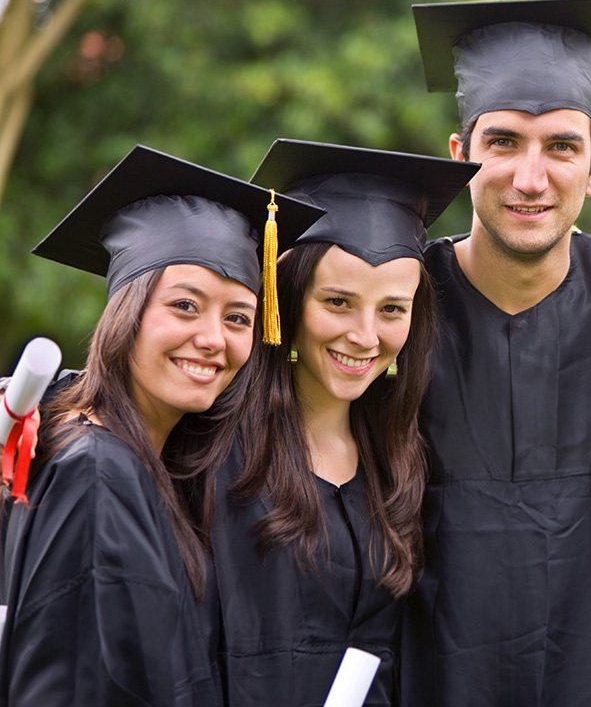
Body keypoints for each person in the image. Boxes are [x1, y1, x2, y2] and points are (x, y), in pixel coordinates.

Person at [403, 0, 591, 705]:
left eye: (560, 146)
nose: (530, 179)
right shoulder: (396, 308)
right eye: (503, 142)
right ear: (458, 157)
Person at [0, 146, 321, 706]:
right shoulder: (97, 472)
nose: (213, 339)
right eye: (185, 306)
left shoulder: (123, 455)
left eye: (238, 317)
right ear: (127, 312)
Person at [200, 140, 477, 706]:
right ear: (290, 298)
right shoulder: (209, 444)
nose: (365, 336)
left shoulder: (398, 461)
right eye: (338, 302)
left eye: (392, 309)